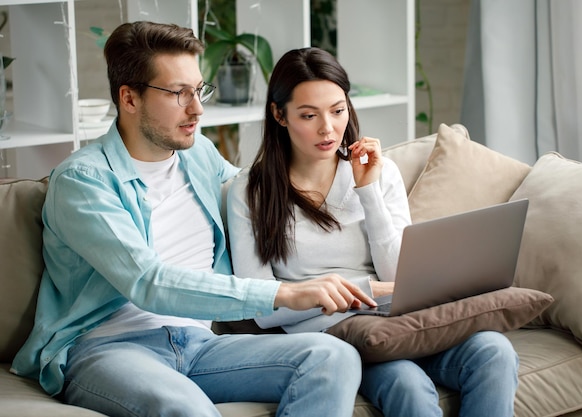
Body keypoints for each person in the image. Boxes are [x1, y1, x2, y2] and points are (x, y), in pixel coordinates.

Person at [9, 22, 377, 417]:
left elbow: (260, 194)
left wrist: (347, 175)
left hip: (201, 343)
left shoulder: (197, 153)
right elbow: (148, 282)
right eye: (178, 93)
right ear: (129, 99)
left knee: (332, 357)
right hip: (109, 347)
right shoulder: (84, 181)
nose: (197, 108)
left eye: (199, 90)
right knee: (188, 410)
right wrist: (284, 293)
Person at [226, 47, 520, 417]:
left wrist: (369, 192)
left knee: (494, 351)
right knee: (407, 384)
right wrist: (368, 292)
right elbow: (261, 309)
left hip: (400, 318)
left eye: (337, 110)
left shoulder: (381, 173)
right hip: (336, 336)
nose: (327, 128)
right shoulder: (249, 191)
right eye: (308, 115)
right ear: (279, 115)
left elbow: (399, 276)